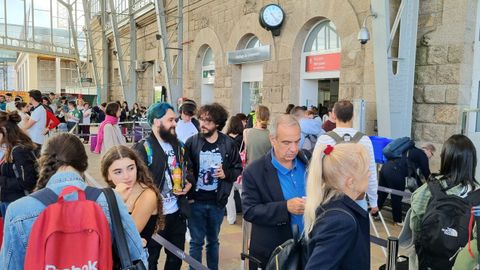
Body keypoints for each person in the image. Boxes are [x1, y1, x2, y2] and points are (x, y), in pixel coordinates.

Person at [0, 133, 148, 269]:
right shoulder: (110, 200)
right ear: (84, 163)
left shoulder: (18, 210)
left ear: (44, 162)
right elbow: (138, 257)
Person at [242, 114, 310, 269]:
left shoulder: (307, 161)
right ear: (273, 140)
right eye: (286, 142)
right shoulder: (254, 171)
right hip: (275, 254)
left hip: (309, 250)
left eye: (297, 141)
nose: (293, 148)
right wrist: (285, 207)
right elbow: (249, 211)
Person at [133, 102, 193, 270]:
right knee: (150, 261)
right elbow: (136, 182)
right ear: (157, 122)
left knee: (175, 260)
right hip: (153, 219)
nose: (175, 123)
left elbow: (189, 170)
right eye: (171, 120)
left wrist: (189, 183)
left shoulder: (179, 146)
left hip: (176, 215)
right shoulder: (143, 148)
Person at [184, 103, 242, 270]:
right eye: (201, 119)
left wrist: (226, 174)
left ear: (217, 123)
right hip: (196, 202)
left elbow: (237, 167)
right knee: (195, 242)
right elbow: (186, 169)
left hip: (217, 201)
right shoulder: (191, 142)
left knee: (213, 242)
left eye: (207, 121)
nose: (202, 124)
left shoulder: (228, 144)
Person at [409, 135, 479, 269]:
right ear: (472, 161)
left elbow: (416, 229)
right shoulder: (477, 196)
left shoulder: (425, 191)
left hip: (426, 263)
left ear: (444, 158)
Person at [304, 143, 370, 269]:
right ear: (350, 182)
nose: (369, 175)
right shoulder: (341, 222)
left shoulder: (329, 204)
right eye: (366, 171)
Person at [316, 100, 379, 214]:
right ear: (353, 115)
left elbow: (316, 171)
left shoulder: (324, 139)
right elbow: (371, 172)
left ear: (334, 115)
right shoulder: (364, 140)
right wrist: (374, 201)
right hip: (357, 196)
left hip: (330, 197)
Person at [101, 145, 165, 253]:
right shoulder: (109, 193)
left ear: (137, 167)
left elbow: (126, 238)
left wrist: (117, 202)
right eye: (118, 172)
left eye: (131, 168)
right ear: (108, 176)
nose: (127, 176)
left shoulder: (148, 195)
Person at [377, 142, 433, 225]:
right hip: (395, 172)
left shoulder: (411, 150)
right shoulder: (422, 155)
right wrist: (432, 184)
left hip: (385, 167)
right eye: (432, 154)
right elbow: (426, 172)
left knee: (382, 192)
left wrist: (421, 186)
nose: (431, 157)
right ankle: (397, 220)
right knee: (397, 196)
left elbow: (413, 173)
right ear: (429, 150)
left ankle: (374, 213)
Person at [0, 111, 38, 217]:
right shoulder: (9, 147)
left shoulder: (19, 150)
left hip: (16, 204)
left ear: (4, 131)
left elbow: (28, 182)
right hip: (7, 200)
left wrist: (2, 180)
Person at [225, 115, 245, 225]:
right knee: (244, 194)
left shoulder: (225, 138)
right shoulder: (243, 138)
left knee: (229, 196)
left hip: (228, 170)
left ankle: (231, 218)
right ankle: (247, 216)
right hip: (240, 170)